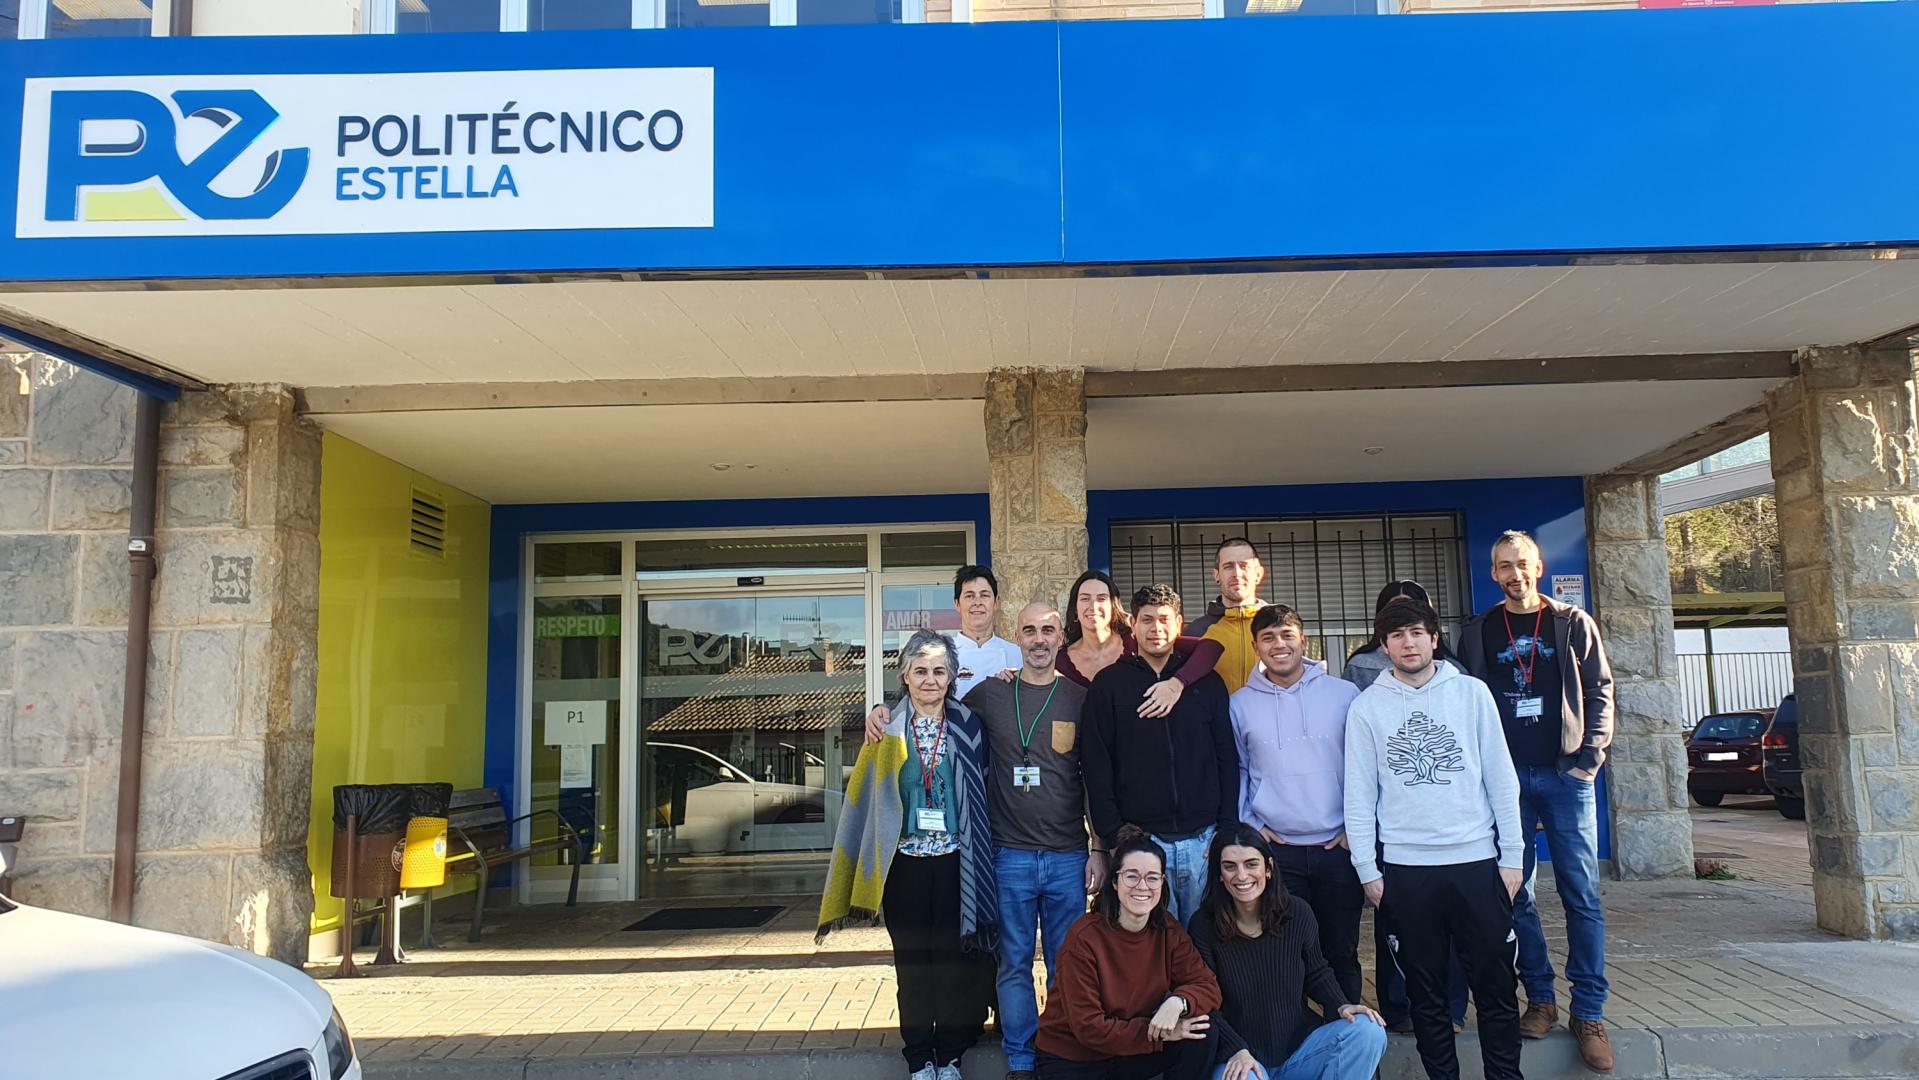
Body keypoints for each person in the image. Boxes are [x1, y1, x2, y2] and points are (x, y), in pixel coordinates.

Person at [866, 601, 1106, 1080]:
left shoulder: (1079, 700)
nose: (1039, 639)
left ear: (1061, 637)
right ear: (1016, 638)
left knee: (1064, 965)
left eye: (1048, 630)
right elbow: (873, 797)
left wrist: (1098, 846)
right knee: (1010, 963)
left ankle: (1057, 1051)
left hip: (1060, 856)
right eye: (1030, 630)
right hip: (1004, 854)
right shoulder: (980, 702)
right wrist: (879, 709)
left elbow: (1094, 779)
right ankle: (1017, 1057)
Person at [1454, 530, 1615, 1072]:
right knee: (1514, 894)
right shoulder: (1476, 631)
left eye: (1521, 564)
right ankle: (1541, 1000)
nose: (1513, 574)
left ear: (1539, 567)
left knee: (1582, 895)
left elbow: (1600, 690)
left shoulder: (1572, 623)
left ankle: (1589, 1013)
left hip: (1564, 775)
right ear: (1493, 573)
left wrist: (1587, 761)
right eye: (1503, 566)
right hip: (1503, 785)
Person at [1344, 598, 1524, 1080]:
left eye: (1418, 633)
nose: (1409, 642)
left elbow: (1502, 779)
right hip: (1405, 873)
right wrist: (1368, 871)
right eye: (1397, 635)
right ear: (1384, 645)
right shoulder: (1366, 709)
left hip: (1477, 864)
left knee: (1496, 989)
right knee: (1425, 996)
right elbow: (1358, 796)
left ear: (1434, 638)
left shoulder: (1472, 694)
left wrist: (1512, 858)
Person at [818, 628, 999, 1080]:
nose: (930, 679)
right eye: (921, 671)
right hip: (905, 866)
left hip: (960, 863)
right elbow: (868, 799)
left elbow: (986, 789)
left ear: (952, 677)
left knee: (956, 962)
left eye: (940, 671)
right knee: (914, 963)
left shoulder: (969, 725)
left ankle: (951, 1055)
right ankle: (920, 1057)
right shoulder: (885, 729)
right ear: (904, 675)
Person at [1340, 579, 1468, 1033]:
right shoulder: (1360, 668)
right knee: (1393, 920)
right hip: (1388, 813)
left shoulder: (1456, 672)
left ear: (1430, 629)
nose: (1406, 639)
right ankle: (1397, 1007)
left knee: (1449, 928)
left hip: (1450, 825)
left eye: (1414, 622)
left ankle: (1448, 1009)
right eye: (1394, 625)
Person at [1230, 605, 1365, 1010]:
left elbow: (1365, 767)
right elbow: (1239, 768)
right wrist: (1251, 824)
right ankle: (1296, 1047)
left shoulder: (1344, 695)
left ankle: (1350, 1043)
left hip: (1337, 850)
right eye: (1268, 638)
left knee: (1341, 952)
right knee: (1285, 956)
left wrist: (1353, 829)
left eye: (1286, 635)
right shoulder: (1240, 704)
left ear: (1303, 640)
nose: (1279, 645)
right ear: (1256, 647)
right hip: (1277, 853)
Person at [1082, 583, 1240, 924]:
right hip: (1141, 843)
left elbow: (1227, 758)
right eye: (1147, 620)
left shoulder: (1207, 684)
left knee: (1205, 941)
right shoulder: (1108, 686)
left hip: (1204, 841)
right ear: (1133, 626)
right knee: (1149, 946)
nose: (1156, 629)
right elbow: (1097, 765)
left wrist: (1225, 827)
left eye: (1165, 620)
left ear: (1179, 623)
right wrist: (1113, 836)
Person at [1186, 824, 1389, 1080]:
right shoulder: (1203, 926)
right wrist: (1235, 1049)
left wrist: (1341, 1005)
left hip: (1299, 1052)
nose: (1241, 875)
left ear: (1268, 868)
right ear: (1219, 874)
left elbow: (1317, 972)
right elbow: (1205, 1003)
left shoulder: (1296, 912)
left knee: (1367, 1031)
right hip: (1242, 1060)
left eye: (1251, 864)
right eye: (1230, 866)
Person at [1034, 831, 1222, 1080]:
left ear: (1162, 883)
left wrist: (1179, 1002)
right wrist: (1159, 1032)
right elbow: (1089, 1028)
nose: (1142, 886)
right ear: (1115, 881)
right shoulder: (1084, 938)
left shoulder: (1167, 929)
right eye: (1132, 876)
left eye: (1152, 878)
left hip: (1128, 1052)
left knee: (1204, 1028)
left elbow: (1208, 985)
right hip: (1075, 1059)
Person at [1059, 569, 1225, 720]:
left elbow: (1211, 647)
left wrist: (1176, 684)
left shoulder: (1137, 641)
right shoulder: (1060, 660)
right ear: (1075, 608)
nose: (1093, 606)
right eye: (1085, 599)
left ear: (1113, 606)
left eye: (1102, 599)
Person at [1341, 580, 1463, 691]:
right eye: (1394, 607)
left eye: (1416, 633)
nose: (1403, 614)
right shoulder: (1360, 666)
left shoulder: (1453, 671)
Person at [1188, 537, 1271, 694]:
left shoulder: (1277, 626)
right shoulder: (1196, 631)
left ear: (1258, 574)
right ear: (1216, 575)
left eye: (1244, 565)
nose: (1237, 573)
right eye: (1228, 566)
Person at [951, 565, 1024, 698]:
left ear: (996, 603)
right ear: (957, 604)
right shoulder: (943, 655)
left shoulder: (1017, 655)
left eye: (984, 595)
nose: (977, 602)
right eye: (969, 596)